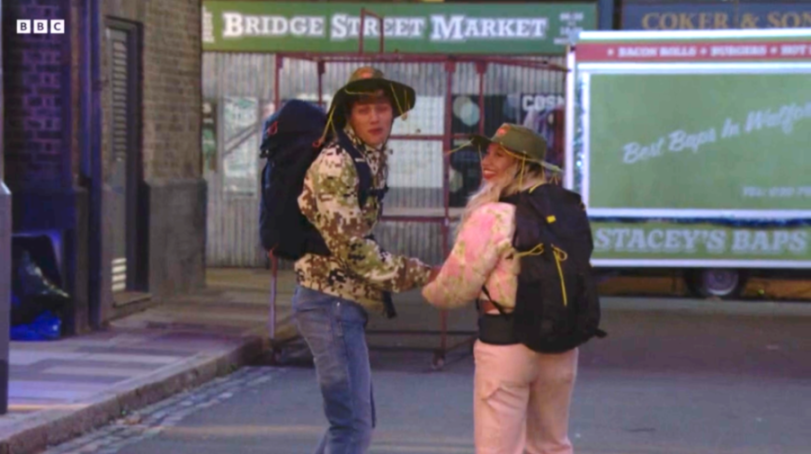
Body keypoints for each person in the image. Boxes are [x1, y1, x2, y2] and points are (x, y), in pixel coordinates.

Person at [292, 66, 439, 454]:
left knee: (354, 423)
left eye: (382, 107)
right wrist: (421, 274)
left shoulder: (370, 156)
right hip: (327, 303)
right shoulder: (338, 162)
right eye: (363, 110)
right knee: (352, 427)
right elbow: (352, 248)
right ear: (348, 116)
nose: (375, 117)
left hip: (343, 303)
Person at [422, 123, 579, 454]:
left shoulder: (493, 216)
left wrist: (427, 287)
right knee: (551, 446)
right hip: (563, 343)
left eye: (501, 155)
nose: (487, 161)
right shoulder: (566, 212)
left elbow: (455, 288)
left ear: (522, 165)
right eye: (489, 152)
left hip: (507, 341)